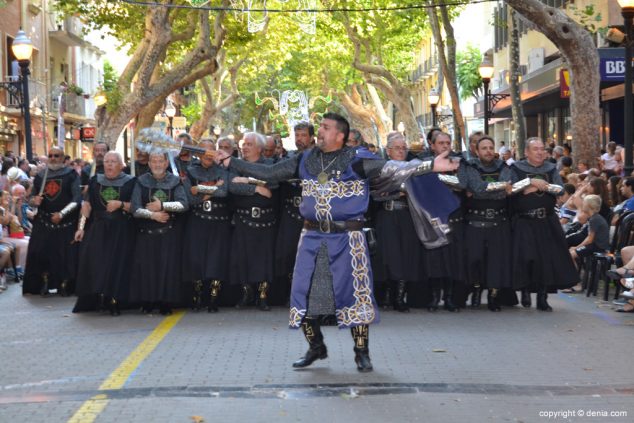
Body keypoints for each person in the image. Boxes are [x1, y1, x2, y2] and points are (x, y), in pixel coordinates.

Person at [215, 112, 458, 372]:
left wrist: (430, 165)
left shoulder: (356, 160)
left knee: (355, 296)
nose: (319, 131)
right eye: (320, 126)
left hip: (347, 239)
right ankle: (316, 347)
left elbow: (393, 168)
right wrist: (232, 162)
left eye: (325, 127)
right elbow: (270, 172)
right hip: (312, 238)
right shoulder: (305, 159)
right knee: (305, 294)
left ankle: (361, 352)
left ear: (340, 136)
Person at [509, 137, 578, 311]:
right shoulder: (516, 168)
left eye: (542, 149)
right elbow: (510, 189)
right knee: (526, 257)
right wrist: (529, 182)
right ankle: (524, 290)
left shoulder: (550, 168)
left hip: (546, 221)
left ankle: (542, 297)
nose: (540, 152)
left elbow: (560, 189)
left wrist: (543, 186)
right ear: (526, 152)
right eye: (535, 149)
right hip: (524, 220)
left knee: (545, 260)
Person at [73, 152, 136, 315]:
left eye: (113, 161)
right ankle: (98, 298)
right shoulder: (95, 181)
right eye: (107, 161)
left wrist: (121, 204)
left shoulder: (131, 182)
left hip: (122, 229)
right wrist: (81, 227)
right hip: (99, 229)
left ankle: (115, 300)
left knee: (117, 264)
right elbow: (86, 206)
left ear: (121, 165)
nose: (109, 165)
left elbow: (137, 207)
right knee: (97, 263)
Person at [130, 152, 188, 315]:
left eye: (160, 161)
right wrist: (153, 215)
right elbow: (135, 208)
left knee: (167, 270)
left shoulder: (175, 182)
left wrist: (163, 205)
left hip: (168, 234)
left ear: (166, 163)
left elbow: (183, 205)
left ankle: (165, 302)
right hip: (146, 234)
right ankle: (148, 302)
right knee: (147, 270)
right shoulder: (141, 181)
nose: (157, 164)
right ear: (149, 163)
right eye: (153, 161)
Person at [372, 132, 422, 312]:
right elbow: (375, 194)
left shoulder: (414, 168)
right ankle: (385, 295)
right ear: (388, 150)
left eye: (403, 148)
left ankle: (400, 297)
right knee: (387, 255)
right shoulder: (380, 168)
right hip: (386, 215)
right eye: (397, 148)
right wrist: (397, 193)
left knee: (405, 255)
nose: (401, 151)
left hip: (407, 215)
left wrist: (400, 192)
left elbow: (418, 193)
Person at [462, 136, 512, 311]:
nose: (488, 151)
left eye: (491, 147)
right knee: (474, 260)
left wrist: (483, 190)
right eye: (484, 148)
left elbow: (504, 192)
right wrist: (498, 188)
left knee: (496, 262)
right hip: (475, 222)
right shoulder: (470, 166)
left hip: (498, 223)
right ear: (477, 151)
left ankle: (493, 296)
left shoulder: (504, 167)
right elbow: (476, 188)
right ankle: (476, 290)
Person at [23, 147, 81, 296]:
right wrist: (33, 201)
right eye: (50, 155)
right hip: (44, 220)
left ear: (63, 158)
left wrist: (62, 214)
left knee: (65, 255)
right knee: (40, 253)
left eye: (57, 155)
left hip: (65, 222)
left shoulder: (71, 175)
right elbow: (30, 198)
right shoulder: (41, 176)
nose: (53, 158)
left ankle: (65, 284)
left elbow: (77, 199)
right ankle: (43, 282)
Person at [229, 132, 278, 311]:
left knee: (263, 260)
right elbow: (233, 186)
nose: (245, 147)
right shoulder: (236, 166)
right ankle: (246, 294)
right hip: (243, 220)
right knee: (242, 260)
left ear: (259, 148)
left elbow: (272, 185)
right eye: (244, 144)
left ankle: (263, 297)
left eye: (249, 144)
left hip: (265, 221)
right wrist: (257, 187)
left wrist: (246, 180)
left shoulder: (270, 165)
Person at [181, 140, 231, 312]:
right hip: (198, 220)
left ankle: (213, 299)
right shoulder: (190, 171)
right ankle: (197, 297)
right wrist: (213, 188)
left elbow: (224, 192)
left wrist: (200, 188)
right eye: (204, 151)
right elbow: (190, 198)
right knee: (196, 260)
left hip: (219, 221)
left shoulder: (223, 171)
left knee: (216, 261)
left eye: (211, 151)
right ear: (199, 153)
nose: (208, 154)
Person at [275, 122, 315, 302]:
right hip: (291, 214)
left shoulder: (319, 157)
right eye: (297, 135)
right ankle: (294, 296)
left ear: (312, 137)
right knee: (290, 255)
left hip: (312, 217)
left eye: (303, 135)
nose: (299, 139)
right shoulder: (290, 158)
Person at [566, 194, 610, 293]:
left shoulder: (595, 219)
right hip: (595, 245)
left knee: (570, 254)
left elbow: (590, 239)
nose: (582, 205)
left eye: (584, 203)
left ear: (589, 206)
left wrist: (576, 247)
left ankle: (576, 284)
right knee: (571, 253)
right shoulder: (594, 217)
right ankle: (574, 281)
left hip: (597, 246)